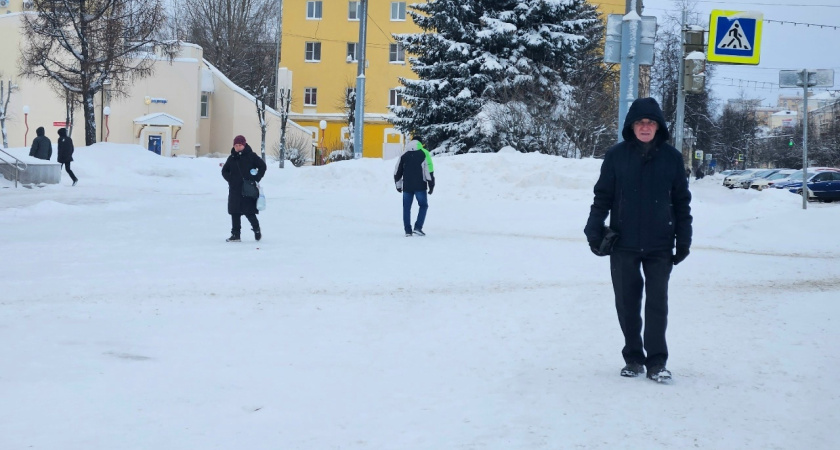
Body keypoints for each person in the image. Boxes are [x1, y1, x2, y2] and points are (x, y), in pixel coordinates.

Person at [584, 97, 692, 383]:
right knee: (627, 303)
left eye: (651, 122)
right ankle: (633, 357)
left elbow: (682, 202)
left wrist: (684, 240)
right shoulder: (615, 156)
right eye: (640, 122)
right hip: (624, 244)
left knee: (657, 303)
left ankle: (657, 362)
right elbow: (602, 197)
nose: (645, 127)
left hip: (660, 245)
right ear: (631, 126)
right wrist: (594, 227)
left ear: (659, 127)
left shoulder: (672, 159)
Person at [221, 135, 266, 242]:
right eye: (236, 145)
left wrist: (256, 178)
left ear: (244, 145)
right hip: (235, 189)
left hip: (248, 189)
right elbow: (224, 171)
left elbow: (262, 166)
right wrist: (230, 179)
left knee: (249, 211)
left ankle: (256, 229)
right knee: (234, 212)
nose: (238, 147)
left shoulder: (251, 156)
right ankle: (235, 235)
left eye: (240, 145)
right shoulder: (231, 158)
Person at [394, 139, 435, 237]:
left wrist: (398, 185)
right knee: (423, 205)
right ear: (420, 143)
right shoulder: (423, 153)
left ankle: (408, 231)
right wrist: (431, 184)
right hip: (420, 186)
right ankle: (418, 228)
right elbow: (428, 171)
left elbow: (397, 172)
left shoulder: (404, 155)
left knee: (406, 208)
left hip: (407, 186)